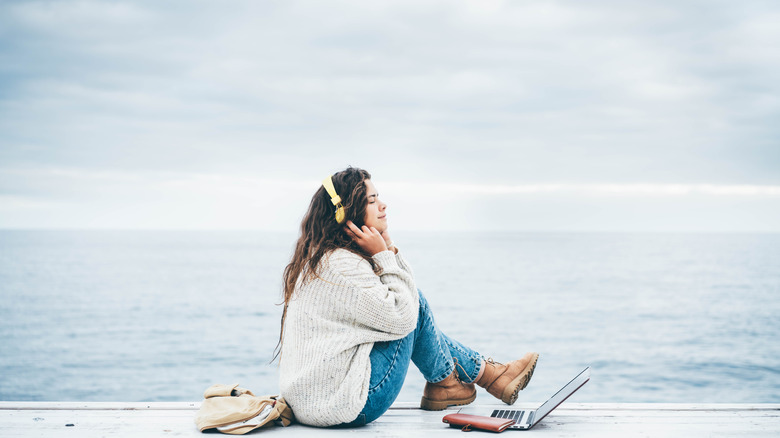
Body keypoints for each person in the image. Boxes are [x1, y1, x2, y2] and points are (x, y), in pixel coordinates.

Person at [276, 167, 539, 427]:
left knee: (405, 299)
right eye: (372, 200)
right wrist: (385, 254)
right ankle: (467, 378)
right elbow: (405, 316)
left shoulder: (322, 259)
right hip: (350, 406)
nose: (383, 205)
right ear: (347, 212)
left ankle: (462, 380)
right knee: (409, 302)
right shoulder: (343, 265)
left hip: (313, 404)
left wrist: (387, 249)